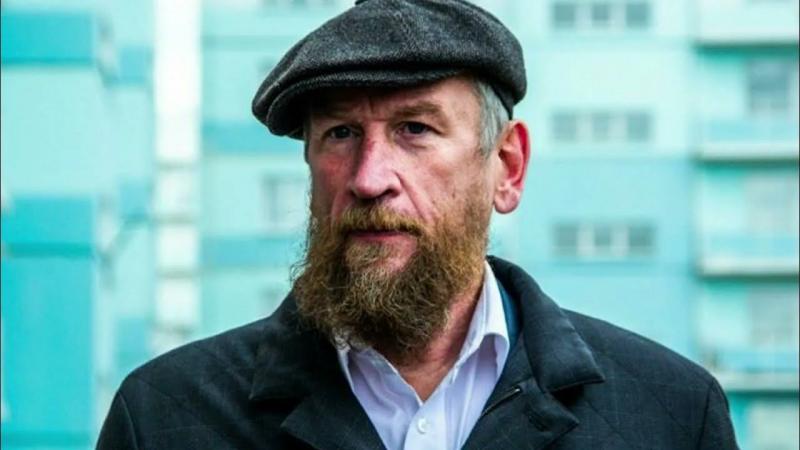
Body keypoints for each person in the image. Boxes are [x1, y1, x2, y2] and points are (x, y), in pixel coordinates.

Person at [98, 0, 739, 449]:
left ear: (507, 168)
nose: (370, 177)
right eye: (341, 133)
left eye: (415, 129)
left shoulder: (672, 415)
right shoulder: (163, 418)